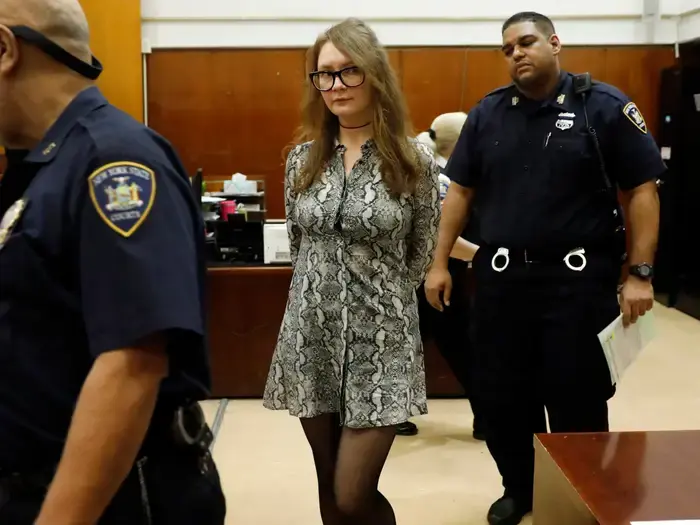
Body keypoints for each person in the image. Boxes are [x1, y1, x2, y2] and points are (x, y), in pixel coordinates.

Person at [425, 11, 663, 525]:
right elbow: (459, 192)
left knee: (577, 396)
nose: (517, 53)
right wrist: (439, 262)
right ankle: (520, 488)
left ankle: (581, 490)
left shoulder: (602, 107)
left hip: (577, 284)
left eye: (527, 42)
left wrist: (639, 274)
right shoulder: (488, 114)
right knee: (503, 395)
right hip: (502, 282)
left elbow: (642, 190)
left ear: (555, 43)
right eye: (507, 48)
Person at [0, 1, 226, 523]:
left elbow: (131, 365)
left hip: (109, 502)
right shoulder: (39, 168)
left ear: (5, 49)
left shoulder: (114, 162)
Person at [262, 17, 440, 525]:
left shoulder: (414, 161)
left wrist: (378, 300)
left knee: (352, 494)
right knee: (327, 484)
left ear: (375, 75)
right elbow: (300, 246)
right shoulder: (301, 161)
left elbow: (420, 252)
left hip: (381, 343)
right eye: (324, 74)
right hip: (311, 338)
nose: (336, 85)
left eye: (348, 71)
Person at [397, 114, 485, 440]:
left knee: (407, 348)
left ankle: (392, 416)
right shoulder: (441, 179)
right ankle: (487, 419)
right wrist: (482, 256)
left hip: (420, 276)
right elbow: (438, 236)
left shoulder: (433, 171)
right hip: (435, 277)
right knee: (464, 349)